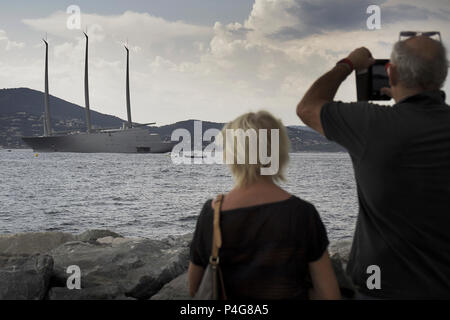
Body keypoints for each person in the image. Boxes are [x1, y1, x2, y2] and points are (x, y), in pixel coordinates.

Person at [296, 34, 450, 299]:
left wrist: (348, 64)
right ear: (442, 75)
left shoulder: (370, 124)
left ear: (390, 73)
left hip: (380, 289)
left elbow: (308, 107)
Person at [188, 111, 341, 300]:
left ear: (231, 155)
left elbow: (195, 289)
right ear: (279, 154)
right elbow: (329, 295)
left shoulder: (212, 213)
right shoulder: (302, 213)